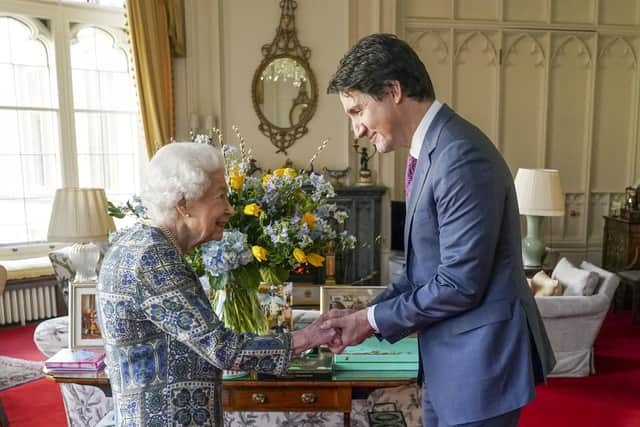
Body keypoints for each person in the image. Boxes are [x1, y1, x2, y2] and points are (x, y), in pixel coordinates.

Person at [322, 33, 556, 427]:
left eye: (357, 110)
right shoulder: (432, 150)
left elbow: (459, 283)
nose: (357, 130)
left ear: (393, 91)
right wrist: (363, 313)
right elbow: (422, 273)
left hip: (482, 367)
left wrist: (371, 321)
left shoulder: (459, 155)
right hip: (452, 364)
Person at [96, 142, 335, 427]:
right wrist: (307, 338)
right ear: (183, 204)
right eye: (221, 197)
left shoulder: (136, 243)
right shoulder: (153, 258)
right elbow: (221, 348)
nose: (231, 209)